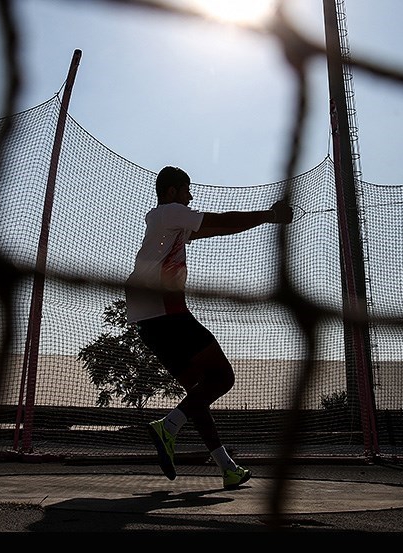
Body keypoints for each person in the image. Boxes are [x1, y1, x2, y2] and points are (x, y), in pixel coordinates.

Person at [124, 165, 293, 490]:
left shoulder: (168, 225)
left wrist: (262, 220)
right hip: (164, 310)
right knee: (222, 377)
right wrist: (271, 215)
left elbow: (219, 229)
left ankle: (227, 468)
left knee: (196, 396)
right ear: (172, 192)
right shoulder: (170, 212)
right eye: (186, 190)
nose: (190, 197)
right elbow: (221, 219)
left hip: (146, 319)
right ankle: (167, 427)